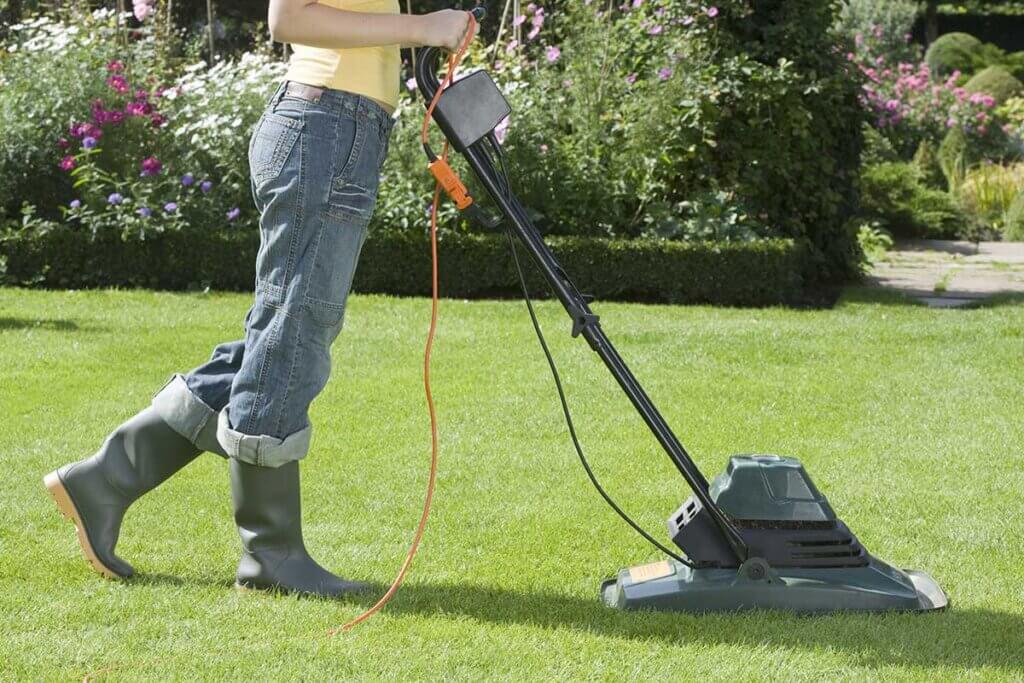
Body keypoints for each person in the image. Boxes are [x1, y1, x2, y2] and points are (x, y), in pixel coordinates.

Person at [44, 0, 476, 598]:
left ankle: (104, 481)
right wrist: (421, 29)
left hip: (340, 130)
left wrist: (435, 24)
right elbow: (289, 18)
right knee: (292, 338)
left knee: (281, 334)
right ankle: (269, 553)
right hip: (326, 129)